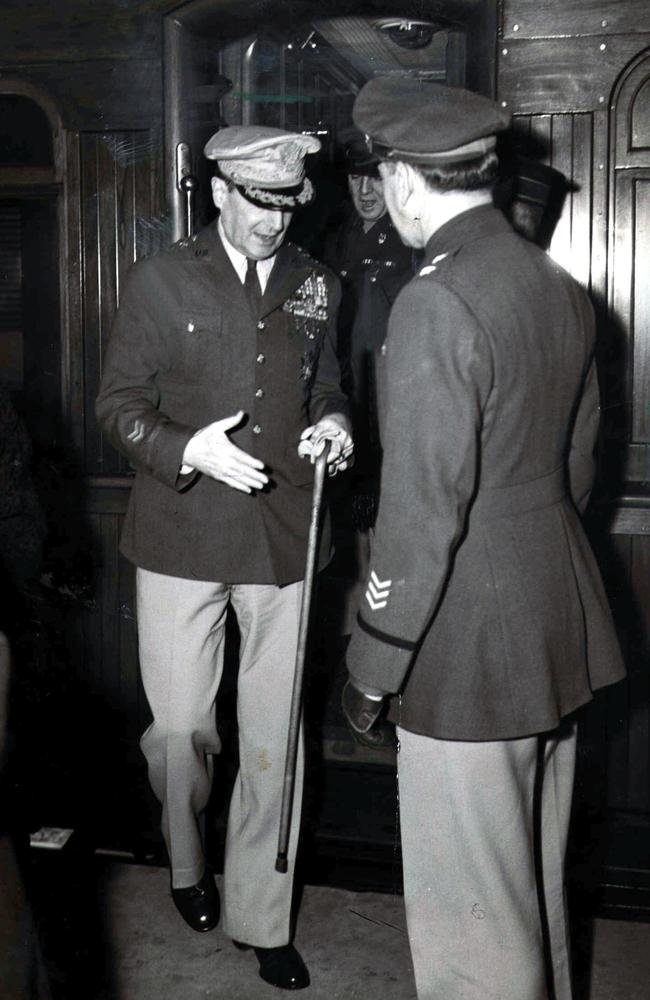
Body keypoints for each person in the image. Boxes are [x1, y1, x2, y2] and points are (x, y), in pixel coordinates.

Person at [341, 78, 625, 1000]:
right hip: (555, 612)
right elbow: (577, 468)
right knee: (531, 884)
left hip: (468, 638)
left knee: (473, 913)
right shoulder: (557, 286)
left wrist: (374, 665)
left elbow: (425, 512)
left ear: (401, 180)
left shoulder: (437, 301)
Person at [96, 125, 352, 991]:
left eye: (287, 204)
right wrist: (183, 449)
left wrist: (336, 424)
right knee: (179, 734)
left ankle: (262, 913)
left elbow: (327, 383)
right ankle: (184, 860)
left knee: (276, 740)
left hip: (284, 538)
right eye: (257, 202)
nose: (273, 222)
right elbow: (117, 404)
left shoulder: (321, 285)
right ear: (219, 192)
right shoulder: (161, 279)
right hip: (179, 536)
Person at [324, 138, 414, 626]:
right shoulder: (333, 239)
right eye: (356, 179)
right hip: (338, 403)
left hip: (389, 409)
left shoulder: (409, 242)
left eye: (375, 178)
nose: (365, 190)